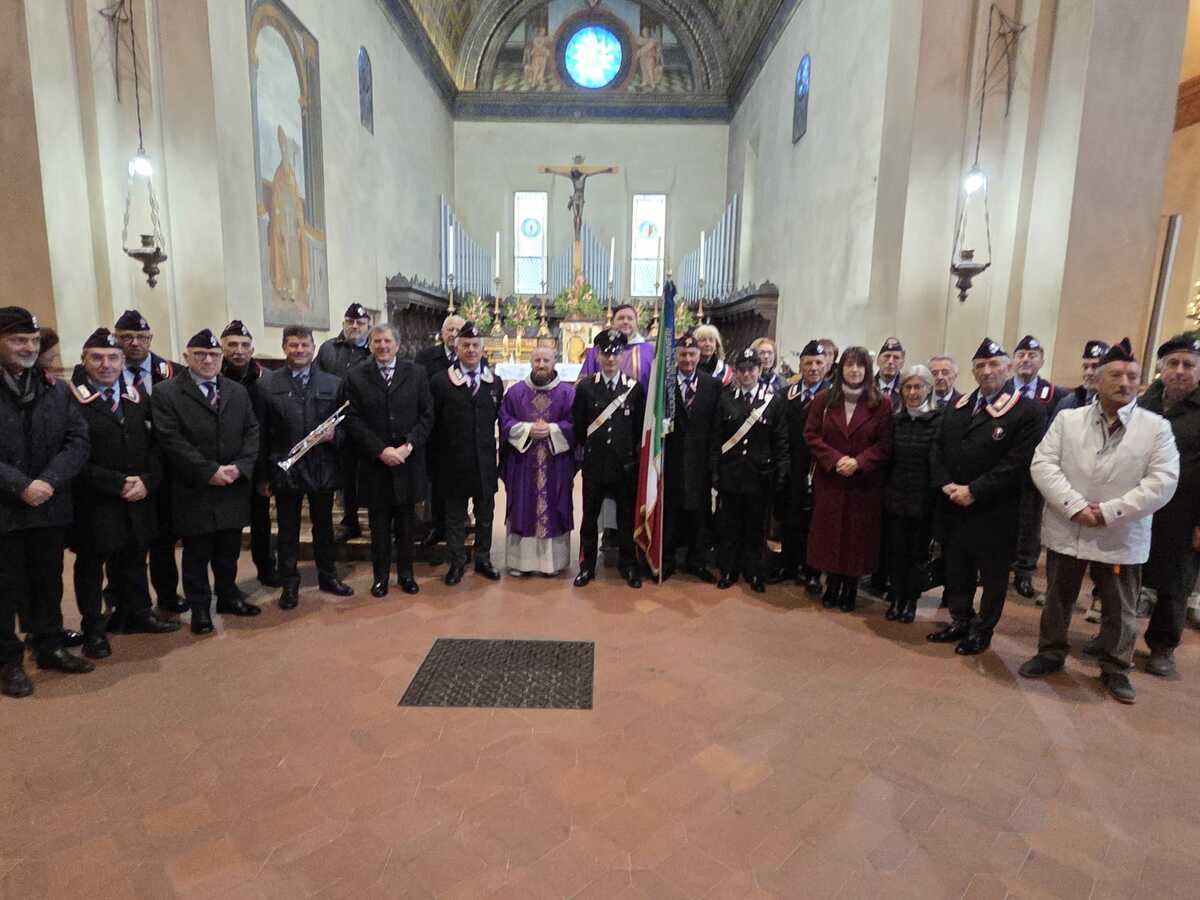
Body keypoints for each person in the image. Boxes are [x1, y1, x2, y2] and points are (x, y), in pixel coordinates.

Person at [1019, 339, 1178, 705]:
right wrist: (1074, 506)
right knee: (1058, 596)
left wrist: (1109, 512)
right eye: (1117, 375)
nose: (1125, 382)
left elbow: (1162, 481)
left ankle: (1116, 666)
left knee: (1120, 606)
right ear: (1099, 379)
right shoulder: (1068, 419)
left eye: (1133, 376)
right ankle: (1050, 651)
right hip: (1069, 524)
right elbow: (1043, 464)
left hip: (1120, 532)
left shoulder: (1156, 428)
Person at [67, 328, 178, 659]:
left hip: (138, 495)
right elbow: (71, 454)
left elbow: (157, 445)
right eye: (97, 358)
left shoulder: (136, 395)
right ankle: (94, 629)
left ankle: (137, 614)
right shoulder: (72, 400)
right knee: (91, 566)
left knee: (133, 557)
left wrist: (147, 480)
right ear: (84, 360)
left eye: (113, 358)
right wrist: (116, 483)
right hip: (94, 501)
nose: (106, 365)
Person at [926, 338, 1042, 655]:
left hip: (995, 511)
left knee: (992, 576)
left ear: (1007, 367)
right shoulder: (958, 406)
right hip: (954, 506)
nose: (987, 370)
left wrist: (974, 491)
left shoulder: (1027, 411)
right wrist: (946, 484)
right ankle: (960, 620)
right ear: (973, 371)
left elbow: (1017, 462)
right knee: (957, 568)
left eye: (994, 364)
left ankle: (983, 629)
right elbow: (936, 448)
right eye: (980, 366)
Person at [0, 307, 92, 697]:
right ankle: (8, 662)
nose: (29, 348)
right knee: (6, 589)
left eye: (34, 341)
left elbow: (78, 440)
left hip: (49, 505)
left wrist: (49, 481)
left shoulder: (55, 388)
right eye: (19, 340)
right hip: (5, 508)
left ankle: (49, 644)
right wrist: (20, 485)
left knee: (48, 580)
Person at [152, 329, 261, 635]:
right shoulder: (167, 393)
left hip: (232, 485)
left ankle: (227, 596)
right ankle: (200, 607)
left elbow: (252, 431)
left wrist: (241, 467)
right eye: (200, 354)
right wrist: (208, 470)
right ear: (187, 357)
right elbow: (170, 440)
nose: (208, 360)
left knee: (228, 549)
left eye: (214, 355)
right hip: (194, 487)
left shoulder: (236, 391)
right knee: (196, 553)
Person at [256, 326, 354, 609]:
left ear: (313, 347)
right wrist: (263, 475)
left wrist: (334, 435)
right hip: (285, 468)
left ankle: (328, 576)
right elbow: (261, 433)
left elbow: (348, 427)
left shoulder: (334, 383)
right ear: (284, 347)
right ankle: (290, 583)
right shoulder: (267, 384)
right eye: (293, 345)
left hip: (322, 466)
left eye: (304, 345)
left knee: (324, 527)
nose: (299, 350)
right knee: (287, 530)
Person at [342, 323, 433, 598]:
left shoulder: (416, 373)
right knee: (378, 527)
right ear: (370, 345)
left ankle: (406, 575)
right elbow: (353, 420)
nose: (382, 346)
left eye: (387, 341)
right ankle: (380, 577)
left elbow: (427, 415)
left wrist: (408, 446)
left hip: (408, 462)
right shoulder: (356, 376)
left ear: (398, 345)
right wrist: (381, 451)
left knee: (407, 526)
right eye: (377, 341)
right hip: (375, 465)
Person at [804, 346, 894, 611]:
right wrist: (834, 460)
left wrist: (858, 462)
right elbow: (811, 435)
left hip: (863, 483)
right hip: (831, 479)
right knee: (830, 535)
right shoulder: (823, 400)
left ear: (867, 370)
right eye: (849, 365)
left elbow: (885, 445)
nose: (854, 370)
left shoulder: (882, 403)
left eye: (860, 366)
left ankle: (850, 589)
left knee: (856, 538)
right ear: (840, 368)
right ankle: (831, 585)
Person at [113, 309, 184, 615]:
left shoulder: (173, 371)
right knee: (125, 540)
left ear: (151, 339)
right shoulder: (106, 370)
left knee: (165, 537)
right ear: (117, 339)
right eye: (127, 337)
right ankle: (120, 599)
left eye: (141, 337)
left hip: (165, 469)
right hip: (127, 469)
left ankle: (167, 594)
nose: (134, 343)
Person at [1139, 333, 1200, 678]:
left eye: (1188, 365)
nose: (1180, 371)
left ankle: (1162, 647)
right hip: (1139, 509)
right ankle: (1112, 636)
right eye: (1172, 364)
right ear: (1161, 368)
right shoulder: (1144, 404)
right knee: (1125, 576)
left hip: (1184, 513)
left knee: (1174, 585)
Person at [429, 322, 505, 586]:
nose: (471, 350)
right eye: (465, 346)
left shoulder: (494, 382)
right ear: (456, 347)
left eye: (475, 346)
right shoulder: (440, 382)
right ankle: (457, 562)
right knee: (454, 516)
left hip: (484, 461)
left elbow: (498, 421)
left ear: (483, 349)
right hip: (453, 461)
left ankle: (483, 559)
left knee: (486, 514)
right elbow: (433, 423)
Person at [573, 329, 646, 589]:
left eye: (616, 353)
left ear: (623, 355)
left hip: (624, 465)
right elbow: (578, 426)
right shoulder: (585, 388)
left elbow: (638, 429)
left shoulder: (635, 389)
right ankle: (586, 566)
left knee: (626, 518)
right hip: (595, 464)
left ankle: (628, 565)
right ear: (598, 355)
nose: (611, 359)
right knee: (589, 518)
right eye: (605, 353)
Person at [712, 349, 787, 592]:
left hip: (759, 475)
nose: (746, 374)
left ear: (760, 370)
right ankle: (729, 569)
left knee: (756, 527)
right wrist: (715, 471)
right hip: (731, 474)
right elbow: (715, 439)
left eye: (751, 369)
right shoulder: (725, 398)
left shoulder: (772, 399)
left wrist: (782, 470)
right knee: (730, 525)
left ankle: (754, 570)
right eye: (742, 369)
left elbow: (780, 438)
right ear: (736, 371)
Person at [499, 345, 576, 576]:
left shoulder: (568, 393)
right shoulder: (514, 393)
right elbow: (504, 421)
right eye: (537, 360)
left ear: (555, 362)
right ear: (530, 362)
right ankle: (521, 563)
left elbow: (575, 423)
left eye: (546, 360)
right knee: (522, 505)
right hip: (523, 464)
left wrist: (553, 430)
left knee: (556, 505)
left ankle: (553, 563)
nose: (541, 365)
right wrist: (527, 429)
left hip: (556, 464)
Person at [1008, 334, 1066, 599]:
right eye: (1020, 355)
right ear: (1012, 360)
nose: (1026, 359)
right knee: (999, 519)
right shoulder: (1001, 388)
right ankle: (995, 566)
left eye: (1032, 355)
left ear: (1041, 360)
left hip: (1034, 469)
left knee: (1030, 522)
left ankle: (1024, 572)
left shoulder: (1054, 395)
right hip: (1002, 468)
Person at [220, 320, 277, 588]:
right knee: (227, 531)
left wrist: (265, 474)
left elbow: (268, 429)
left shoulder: (265, 380)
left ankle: (266, 569)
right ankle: (226, 583)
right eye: (232, 345)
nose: (238, 351)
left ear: (252, 349)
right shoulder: (213, 377)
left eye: (244, 345)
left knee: (261, 525)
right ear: (222, 347)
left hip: (256, 466)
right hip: (225, 467)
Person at [883, 365, 942, 623]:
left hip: (924, 500)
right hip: (896, 496)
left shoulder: (939, 420)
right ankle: (895, 597)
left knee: (917, 554)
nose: (913, 392)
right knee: (896, 551)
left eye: (918, 386)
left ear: (929, 389)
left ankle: (910, 601)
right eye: (908, 386)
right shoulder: (896, 421)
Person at [662, 330, 719, 582]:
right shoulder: (664, 383)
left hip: (700, 461)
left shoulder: (712, 385)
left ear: (700, 355)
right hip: (671, 459)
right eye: (683, 354)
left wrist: (713, 463)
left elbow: (717, 427)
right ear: (676, 355)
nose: (687, 359)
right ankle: (666, 560)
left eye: (692, 354)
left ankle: (697, 560)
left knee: (699, 514)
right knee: (670, 513)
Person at [776, 339, 830, 591]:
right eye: (808, 363)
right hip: (793, 465)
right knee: (790, 516)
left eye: (819, 362)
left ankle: (812, 571)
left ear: (827, 364)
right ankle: (788, 565)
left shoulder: (833, 397)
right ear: (800, 365)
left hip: (820, 467)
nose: (813, 367)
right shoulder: (786, 394)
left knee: (815, 522)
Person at [316, 303, 372, 543]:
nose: (355, 326)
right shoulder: (328, 349)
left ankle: (379, 520)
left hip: (366, 421)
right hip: (335, 422)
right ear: (343, 324)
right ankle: (350, 521)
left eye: (360, 323)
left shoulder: (374, 349)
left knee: (369, 472)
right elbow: (316, 379)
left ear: (368, 325)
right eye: (350, 322)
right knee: (345, 472)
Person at [414, 314, 465, 553]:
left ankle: (459, 521)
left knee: (458, 478)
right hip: (433, 427)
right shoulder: (425, 357)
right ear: (442, 333)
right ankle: (436, 525)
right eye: (450, 329)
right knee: (435, 478)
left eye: (458, 330)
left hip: (459, 428)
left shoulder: (471, 355)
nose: (453, 334)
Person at [578, 304, 653, 386]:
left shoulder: (649, 351)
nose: (625, 322)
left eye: (630, 318)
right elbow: (583, 384)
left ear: (636, 323)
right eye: (621, 318)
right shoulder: (597, 350)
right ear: (613, 323)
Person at [1050, 340, 1109, 422]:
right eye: (1085, 367)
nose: (1088, 373)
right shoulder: (1068, 403)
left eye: (1095, 367)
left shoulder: (1116, 402)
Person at [875, 337, 905, 409]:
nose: (890, 361)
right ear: (878, 361)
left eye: (896, 357)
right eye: (887, 356)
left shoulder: (907, 389)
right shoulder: (867, 387)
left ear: (902, 363)